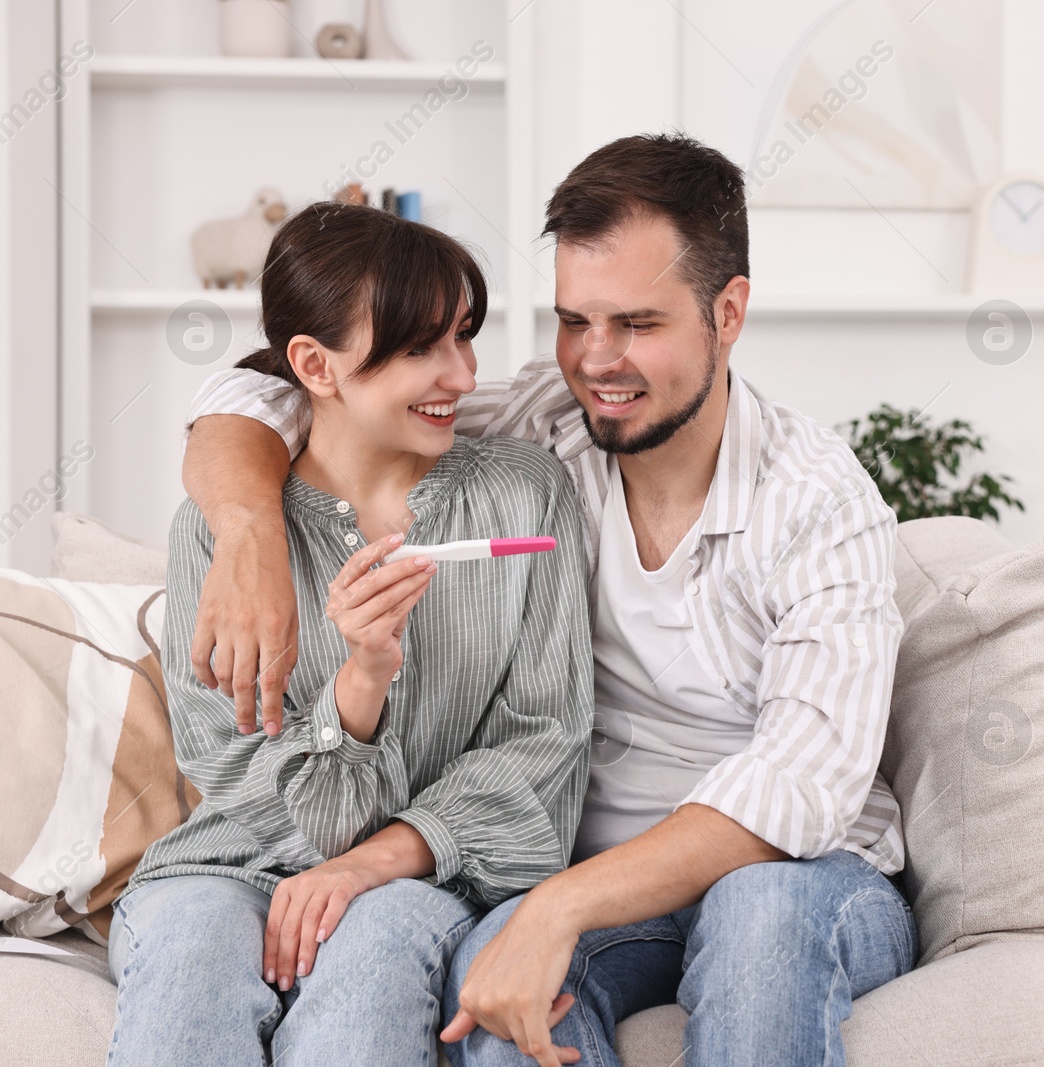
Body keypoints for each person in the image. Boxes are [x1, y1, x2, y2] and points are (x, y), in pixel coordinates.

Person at [180, 132, 916, 1067]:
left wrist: (561, 903)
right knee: (491, 973)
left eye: (639, 324)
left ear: (727, 313)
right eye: (576, 320)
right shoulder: (546, 427)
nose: (598, 360)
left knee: (756, 911)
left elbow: (798, 790)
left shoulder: (818, 501)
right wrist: (247, 532)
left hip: (810, 878)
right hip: (605, 890)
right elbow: (281, 390)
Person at [106, 203, 595, 1067]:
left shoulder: (527, 496)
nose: (459, 374)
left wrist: (372, 860)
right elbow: (225, 761)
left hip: (426, 874)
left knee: (377, 949)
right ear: (313, 365)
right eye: (419, 348)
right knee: (190, 957)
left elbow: (542, 749)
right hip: (229, 866)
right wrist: (357, 690)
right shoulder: (216, 532)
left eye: (464, 336)